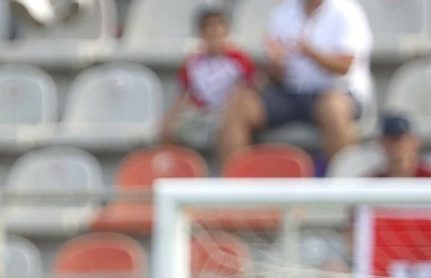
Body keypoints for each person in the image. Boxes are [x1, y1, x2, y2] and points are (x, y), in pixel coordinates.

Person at [217, 0, 372, 165]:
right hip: (289, 93)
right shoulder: (283, 12)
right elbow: (274, 74)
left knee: (334, 109)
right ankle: (235, 179)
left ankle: (344, 178)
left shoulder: (347, 11)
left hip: (336, 91)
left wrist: (310, 52)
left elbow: (345, 66)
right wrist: (276, 65)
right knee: (240, 105)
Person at [162, 6, 256, 152]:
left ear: (226, 30)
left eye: (219, 26)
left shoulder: (239, 59)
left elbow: (249, 89)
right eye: (208, 27)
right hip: (200, 114)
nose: (214, 31)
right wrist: (171, 118)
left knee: (230, 128)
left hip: (227, 113)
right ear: (200, 32)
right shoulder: (192, 62)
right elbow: (183, 94)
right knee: (167, 128)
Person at [372, 112, 431, 178]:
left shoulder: (427, 177)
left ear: (414, 141)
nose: (395, 145)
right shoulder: (373, 180)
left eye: (400, 139)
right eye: (390, 140)